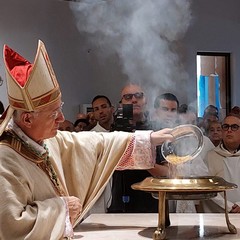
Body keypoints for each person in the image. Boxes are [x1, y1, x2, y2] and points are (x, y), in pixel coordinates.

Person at [0, 40, 173, 239]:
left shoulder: (45, 140)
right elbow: (11, 226)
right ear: (27, 118)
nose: (62, 119)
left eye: (61, 108)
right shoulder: (6, 159)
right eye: (53, 113)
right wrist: (62, 208)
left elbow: (96, 144)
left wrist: (147, 140)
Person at [108, 83, 169, 214]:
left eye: (138, 96)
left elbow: (167, 171)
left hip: (151, 203)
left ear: (145, 100)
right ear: (121, 103)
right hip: (119, 204)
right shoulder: (115, 132)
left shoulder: (156, 130)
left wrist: (140, 159)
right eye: (128, 97)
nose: (134, 100)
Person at [201, 113, 240, 213]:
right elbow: (207, 187)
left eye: (234, 127)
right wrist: (229, 207)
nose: (229, 130)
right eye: (226, 127)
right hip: (220, 214)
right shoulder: (210, 156)